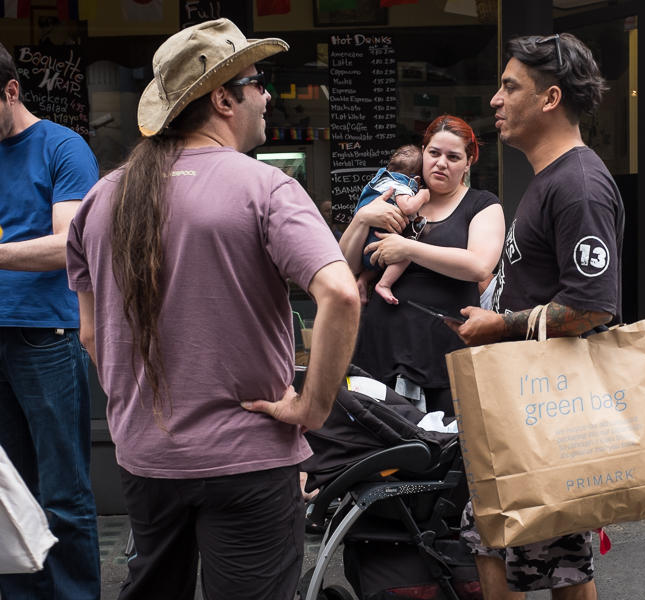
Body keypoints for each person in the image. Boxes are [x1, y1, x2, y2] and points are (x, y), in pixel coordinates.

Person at [65, 19, 360, 599]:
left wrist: (138, 413)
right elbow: (342, 294)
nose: (268, 95)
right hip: (248, 455)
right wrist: (312, 408)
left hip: (147, 457)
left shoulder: (102, 199)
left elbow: (93, 336)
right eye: (258, 83)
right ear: (223, 98)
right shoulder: (265, 187)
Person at [452, 33, 624, 600]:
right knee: (520, 553)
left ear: (550, 99)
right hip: (520, 409)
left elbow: (593, 304)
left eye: (510, 86)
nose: (496, 100)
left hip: (544, 417)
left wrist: (501, 324)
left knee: (552, 560)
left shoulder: (577, 184)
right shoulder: (549, 178)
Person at [0, 42, 101, 599]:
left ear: (11, 90)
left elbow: (70, 246)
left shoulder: (63, 147)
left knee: (62, 492)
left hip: (44, 337)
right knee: (8, 491)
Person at [340, 115, 504, 416]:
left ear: (468, 163)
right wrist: (362, 218)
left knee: (446, 451)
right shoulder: (394, 195)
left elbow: (479, 266)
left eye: (453, 157)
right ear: (423, 152)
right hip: (381, 342)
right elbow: (345, 265)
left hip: (443, 351)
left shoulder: (482, 204)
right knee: (380, 451)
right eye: (434, 153)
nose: (441, 163)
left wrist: (407, 248)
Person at [354, 144, 430, 305]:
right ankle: (384, 284)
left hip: (365, 245)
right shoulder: (402, 185)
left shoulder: (380, 180)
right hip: (379, 244)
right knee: (407, 251)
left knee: (376, 262)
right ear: (416, 180)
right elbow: (407, 206)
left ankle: (363, 280)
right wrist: (423, 195)